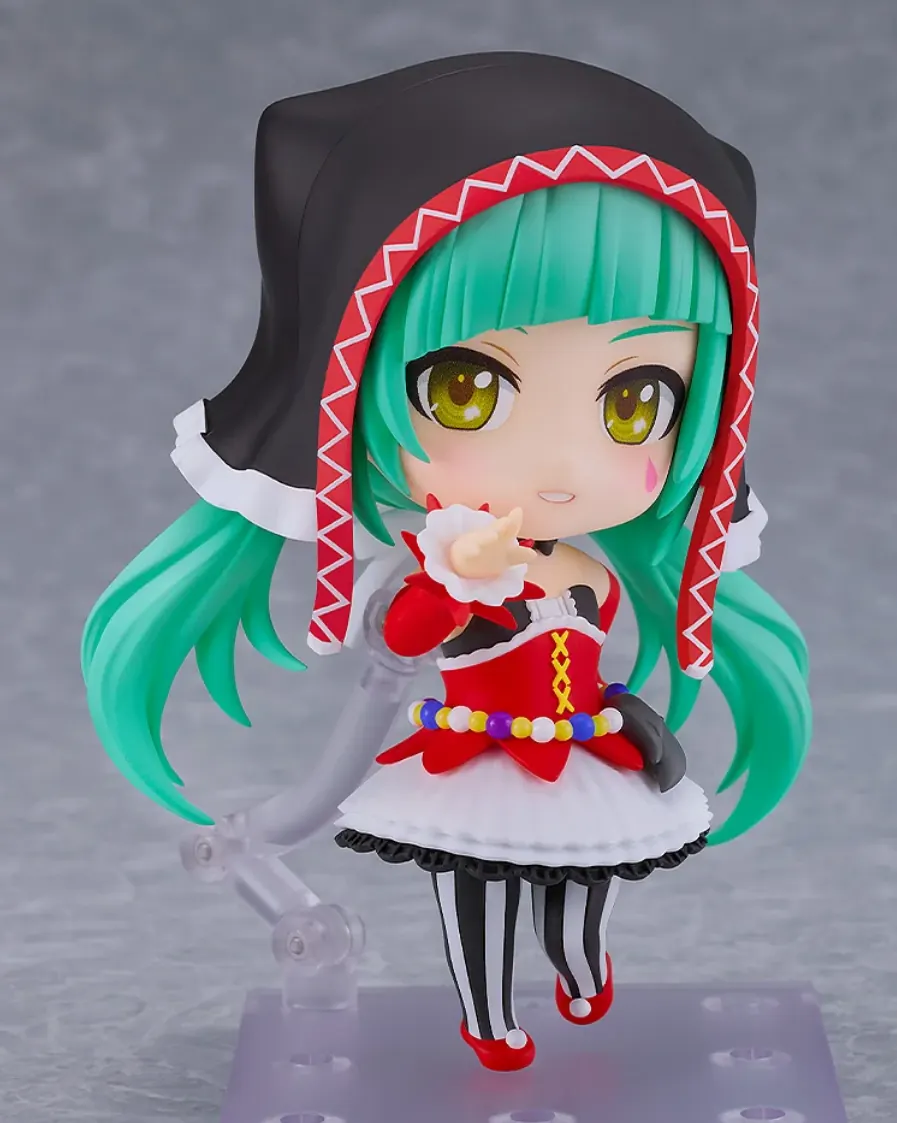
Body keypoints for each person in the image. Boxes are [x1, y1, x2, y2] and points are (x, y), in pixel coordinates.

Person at [82, 53, 811, 1072]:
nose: (563, 468)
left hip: (579, 746)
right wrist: (455, 572)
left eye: (634, 400)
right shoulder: (441, 562)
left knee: (589, 870)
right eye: (469, 389)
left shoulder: (585, 569)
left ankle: (581, 959)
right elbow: (402, 635)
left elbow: (587, 642)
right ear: (348, 383)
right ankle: (487, 1010)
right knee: (478, 886)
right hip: (474, 757)